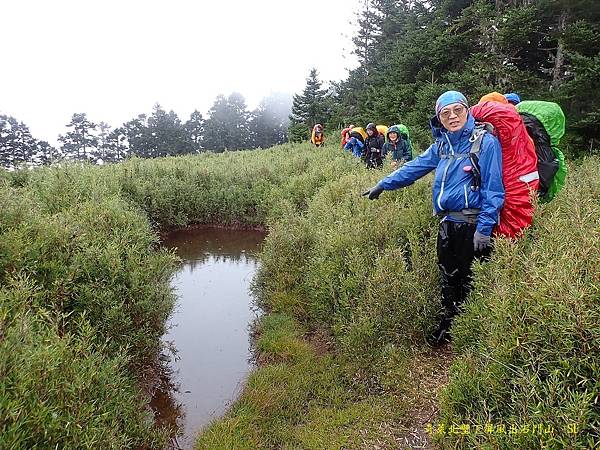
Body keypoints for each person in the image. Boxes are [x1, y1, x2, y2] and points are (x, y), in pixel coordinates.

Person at [362, 91, 505, 346]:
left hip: (472, 225)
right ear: (439, 117)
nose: (452, 117)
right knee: (448, 277)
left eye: (457, 110)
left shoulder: (485, 142)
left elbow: (493, 190)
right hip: (447, 223)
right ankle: (448, 327)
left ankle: (475, 335)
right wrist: (384, 184)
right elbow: (414, 168)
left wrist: (485, 228)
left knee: (472, 280)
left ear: (467, 110)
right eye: (445, 113)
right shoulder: (442, 145)